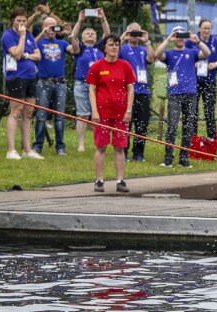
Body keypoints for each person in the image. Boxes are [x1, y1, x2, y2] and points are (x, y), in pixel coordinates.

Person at [85, 34, 135, 194]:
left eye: (117, 45)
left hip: (120, 112)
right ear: (104, 47)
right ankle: (99, 180)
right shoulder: (97, 66)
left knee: (119, 147)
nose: (114, 47)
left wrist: (128, 109)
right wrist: (94, 111)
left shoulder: (125, 66)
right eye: (111, 44)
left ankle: (120, 180)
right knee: (101, 146)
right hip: (102, 112)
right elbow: (91, 89)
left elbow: (130, 88)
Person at [155, 26, 210, 168]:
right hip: (175, 94)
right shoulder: (169, 53)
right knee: (172, 126)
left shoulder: (192, 52)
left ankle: (184, 158)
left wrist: (197, 41)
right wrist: (168, 39)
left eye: (182, 35)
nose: (179, 38)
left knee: (188, 126)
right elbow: (157, 54)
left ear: (186, 37)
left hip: (190, 93)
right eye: (176, 35)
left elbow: (207, 53)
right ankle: (168, 158)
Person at [2, 8, 42, 161]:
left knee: (28, 113)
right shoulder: (8, 35)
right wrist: (22, 36)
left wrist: (26, 54)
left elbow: (38, 56)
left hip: (31, 76)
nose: (21, 24)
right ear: (13, 21)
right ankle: (11, 150)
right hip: (16, 77)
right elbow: (16, 53)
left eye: (24, 21)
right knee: (16, 111)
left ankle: (27, 149)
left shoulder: (30, 36)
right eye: (18, 21)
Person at [68, 8, 109, 154]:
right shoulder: (79, 49)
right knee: (83, 115)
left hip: (99, 86)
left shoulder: (100, 48)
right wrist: (80, 21)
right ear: (83, 38)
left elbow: (107, 34)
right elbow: (72, 37)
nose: (90, 34)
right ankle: (81, 144)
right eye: (87, 33)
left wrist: (102, 18)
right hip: (82, 84)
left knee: (101, 115)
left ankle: (100, 141)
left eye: (93, 33)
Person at [32, 16, 69, 157]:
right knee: (41, 115)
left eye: (54, 26)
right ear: (43, 27)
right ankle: (38, 146)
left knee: (60, 116)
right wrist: (42, 33)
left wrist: (71, 34)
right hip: (43, 82)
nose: (52, 29)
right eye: (49, 26)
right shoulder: (40, 42)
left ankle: (60, 147)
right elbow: (30, 46)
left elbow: (75, 49)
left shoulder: (62, 42)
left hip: (60, 83)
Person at [119, 23, 154, 162]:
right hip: (127, 91)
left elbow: (152, 59)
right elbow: (111, 53)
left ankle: (139, 152)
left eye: (137, 33)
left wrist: (147, 42)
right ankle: (124, 151)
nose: (134, 36)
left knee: (142, 124)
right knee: (127, 122)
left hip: (143, 91)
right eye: (132, 33)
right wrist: (123, 37)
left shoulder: (143, 49)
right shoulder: (122, 48)